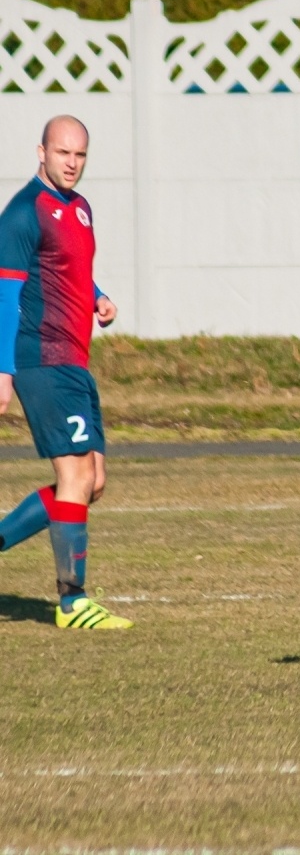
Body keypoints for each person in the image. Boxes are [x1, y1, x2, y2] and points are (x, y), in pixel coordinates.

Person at [0, 115, 129, 629]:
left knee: (91, 481)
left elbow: (69, 266)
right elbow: (6, 297)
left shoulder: (79, 209)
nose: (71, 164)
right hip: (42, 358)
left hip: (75, 358)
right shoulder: (22, 214)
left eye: (79, 155)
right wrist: (3, 372)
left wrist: (98, 297)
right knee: (73, 474)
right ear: (42, 152)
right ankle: (72, 601)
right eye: (62, 153)